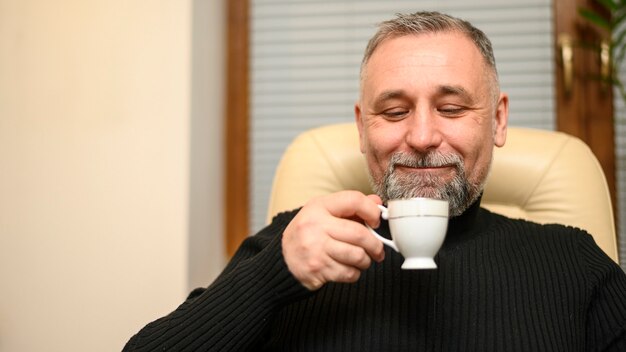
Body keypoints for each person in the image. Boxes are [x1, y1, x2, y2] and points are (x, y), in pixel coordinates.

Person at [123, 11, 626, 351]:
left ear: (496, 121)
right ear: (363, 128)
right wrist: (271, 276)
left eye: (451, 108)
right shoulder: (291, 244)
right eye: (394, 110)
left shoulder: (572, 262)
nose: (423, 135)